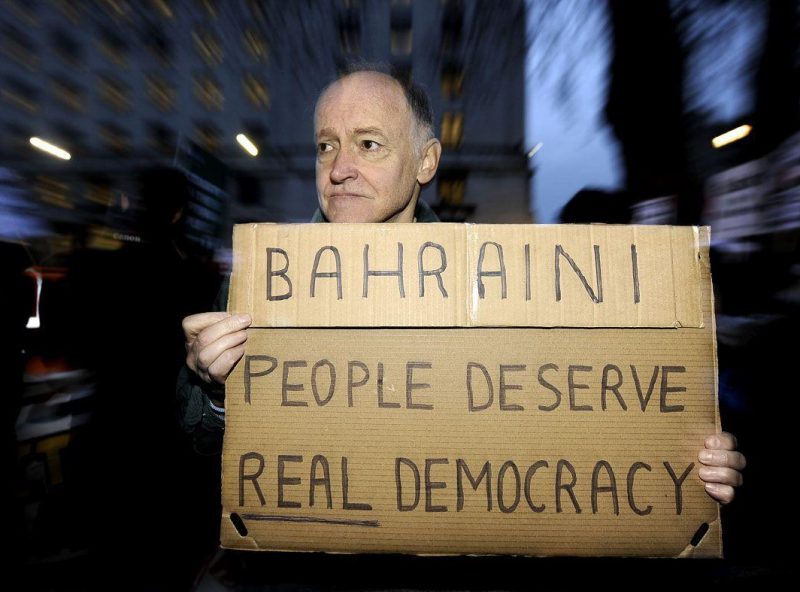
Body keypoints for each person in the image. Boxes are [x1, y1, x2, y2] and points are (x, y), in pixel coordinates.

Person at [178, 66, 745, 510]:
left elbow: (566, 428)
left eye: (369, 144)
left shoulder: (494, 285)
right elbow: (202, 452)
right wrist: (216, 389)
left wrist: (686, 463)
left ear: (426, 161)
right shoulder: (262, 286)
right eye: (327, 145)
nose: (340, 168)